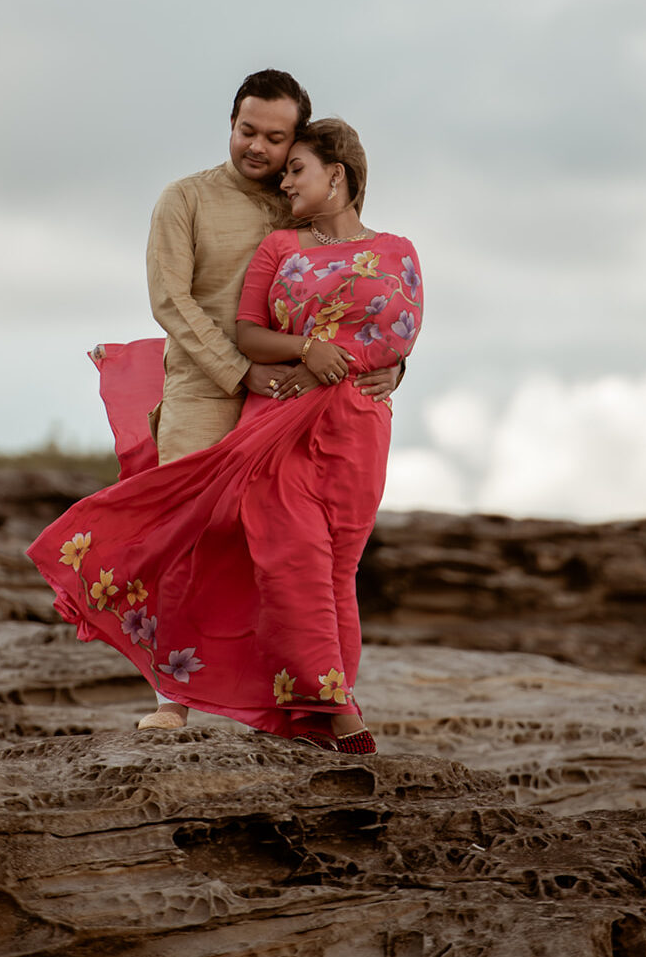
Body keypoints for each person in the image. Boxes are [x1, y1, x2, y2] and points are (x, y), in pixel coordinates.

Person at [27, 117, 423, 756]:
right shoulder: (265, 238)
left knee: (336, 570)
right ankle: (329, 716)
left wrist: (387, 367)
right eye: (256, 139)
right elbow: (241, 330)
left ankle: (307, 715)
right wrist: (307, 351)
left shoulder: (398, 248)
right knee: (279, 559)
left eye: (294, 164)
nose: (282, 175)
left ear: (337, 174)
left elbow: (400, 329)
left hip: (357, 427)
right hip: (269, 416)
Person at [141, 69, 405, 730]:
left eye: (275, 139)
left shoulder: (298, 202)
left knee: (285, 553)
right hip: (205, 390)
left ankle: (287, 701)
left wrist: (395, 366)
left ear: (297, 144)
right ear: (231, 125)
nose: (258, 148)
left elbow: (358, 298)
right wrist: (240, 372)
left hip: (291, 401)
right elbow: (170, 299)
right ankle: (171, 701)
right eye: (246, 131)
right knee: (193, 537)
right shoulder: (186, 199)